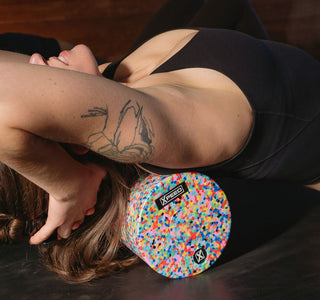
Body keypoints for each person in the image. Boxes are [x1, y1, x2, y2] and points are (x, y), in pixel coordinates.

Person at [0, 0, 319, 282]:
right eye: (36, 82)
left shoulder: (116, 78)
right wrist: (67, 185)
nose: (36, 63)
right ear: (72, 141)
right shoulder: (153, 126)